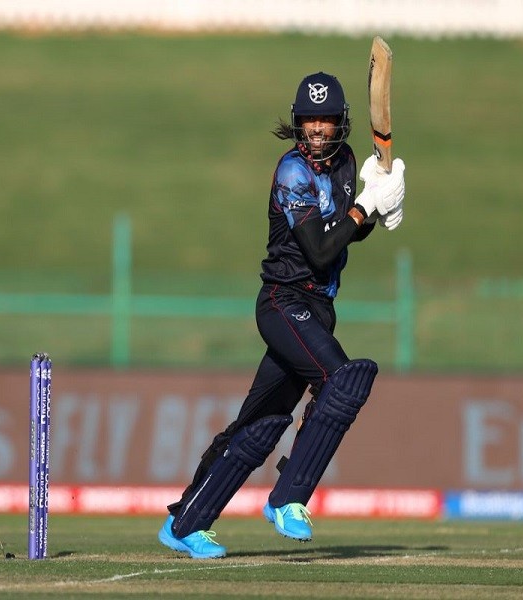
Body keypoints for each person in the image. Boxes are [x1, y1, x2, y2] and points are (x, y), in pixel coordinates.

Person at [158, 72, 405, 559]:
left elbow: (347, 233)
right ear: (297, 124)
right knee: (346, 380)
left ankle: (186, 520)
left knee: (261, 421)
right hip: (284, 302)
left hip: (319, 309)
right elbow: (318, 250)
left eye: (325, 119)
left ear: (340, 124)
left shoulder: (347, 162)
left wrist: (379, 205)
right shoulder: (293, 171)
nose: (316, 128)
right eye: (308, 119)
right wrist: (364, 206)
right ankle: (289, 497)